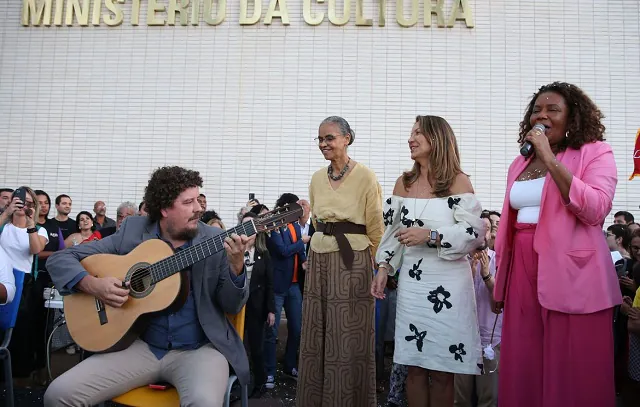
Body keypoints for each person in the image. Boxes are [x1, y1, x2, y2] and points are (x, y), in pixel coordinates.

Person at [44, 166, 251, 407]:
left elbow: (233, 305)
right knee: (58, 395)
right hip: (139, 347)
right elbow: (59, 259)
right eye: (188, 202)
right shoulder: (132, 231)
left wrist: (236, 266)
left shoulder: (213, 240)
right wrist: (93, 285)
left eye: (198, 200)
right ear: (164, 209)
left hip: (199, 350)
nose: (198, 208)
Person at [493, 82, 621, 407]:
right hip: (523, 270)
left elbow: (595, 209)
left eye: (553, 109)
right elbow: (509, 225)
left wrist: (550, 159)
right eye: (537, 109)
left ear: (572, 117)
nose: (543, 115)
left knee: (573, 367)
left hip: (573, 273)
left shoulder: (595, 152)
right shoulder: (518, 164)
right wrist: (502, 284)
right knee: (525, 361)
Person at [372, 115, 485, 407]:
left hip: (450, 284)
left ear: (437, 138)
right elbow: (392, 233)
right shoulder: (403, 183)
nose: (411, 138)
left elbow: (473, 234)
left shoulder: (459, 181)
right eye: (411, 132)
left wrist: (431, 235)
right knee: (414, 365)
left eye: (418, 133)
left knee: (444, 370)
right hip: (413, 285)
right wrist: (384, 266)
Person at [297, 116, 384, 407]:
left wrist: (379, 267)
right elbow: (316, 222)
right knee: (316, 332)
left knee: (347, 335)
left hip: (353, 261)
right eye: (320, 139)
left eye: (329, 138)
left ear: (347, 138)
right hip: (319, 258)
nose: (323, 144)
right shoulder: (316, 179)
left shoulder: (366, 177)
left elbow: (375, 226)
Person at [264, 193, 306, 389]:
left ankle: (290, 366)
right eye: (296, 206)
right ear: (286, 206)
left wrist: (304, 259)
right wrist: (302, 242)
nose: (299, 210)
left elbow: (298, 251)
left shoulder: (296, 225)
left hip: (295, 285)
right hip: (279, 285)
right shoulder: (276, 224)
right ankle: (270, 372)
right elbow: (282, 251)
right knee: (271, 332)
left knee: (297, 329)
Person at [239, 211, 276, 397]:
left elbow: (270, 283)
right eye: (244, 226)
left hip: (256, 307)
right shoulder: (233, 251)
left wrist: (271, 310)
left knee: (256, 348)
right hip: (236, 307)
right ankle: (236, 384)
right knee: (236, 347)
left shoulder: (263, 252)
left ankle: (260, 383)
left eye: (251, 226)